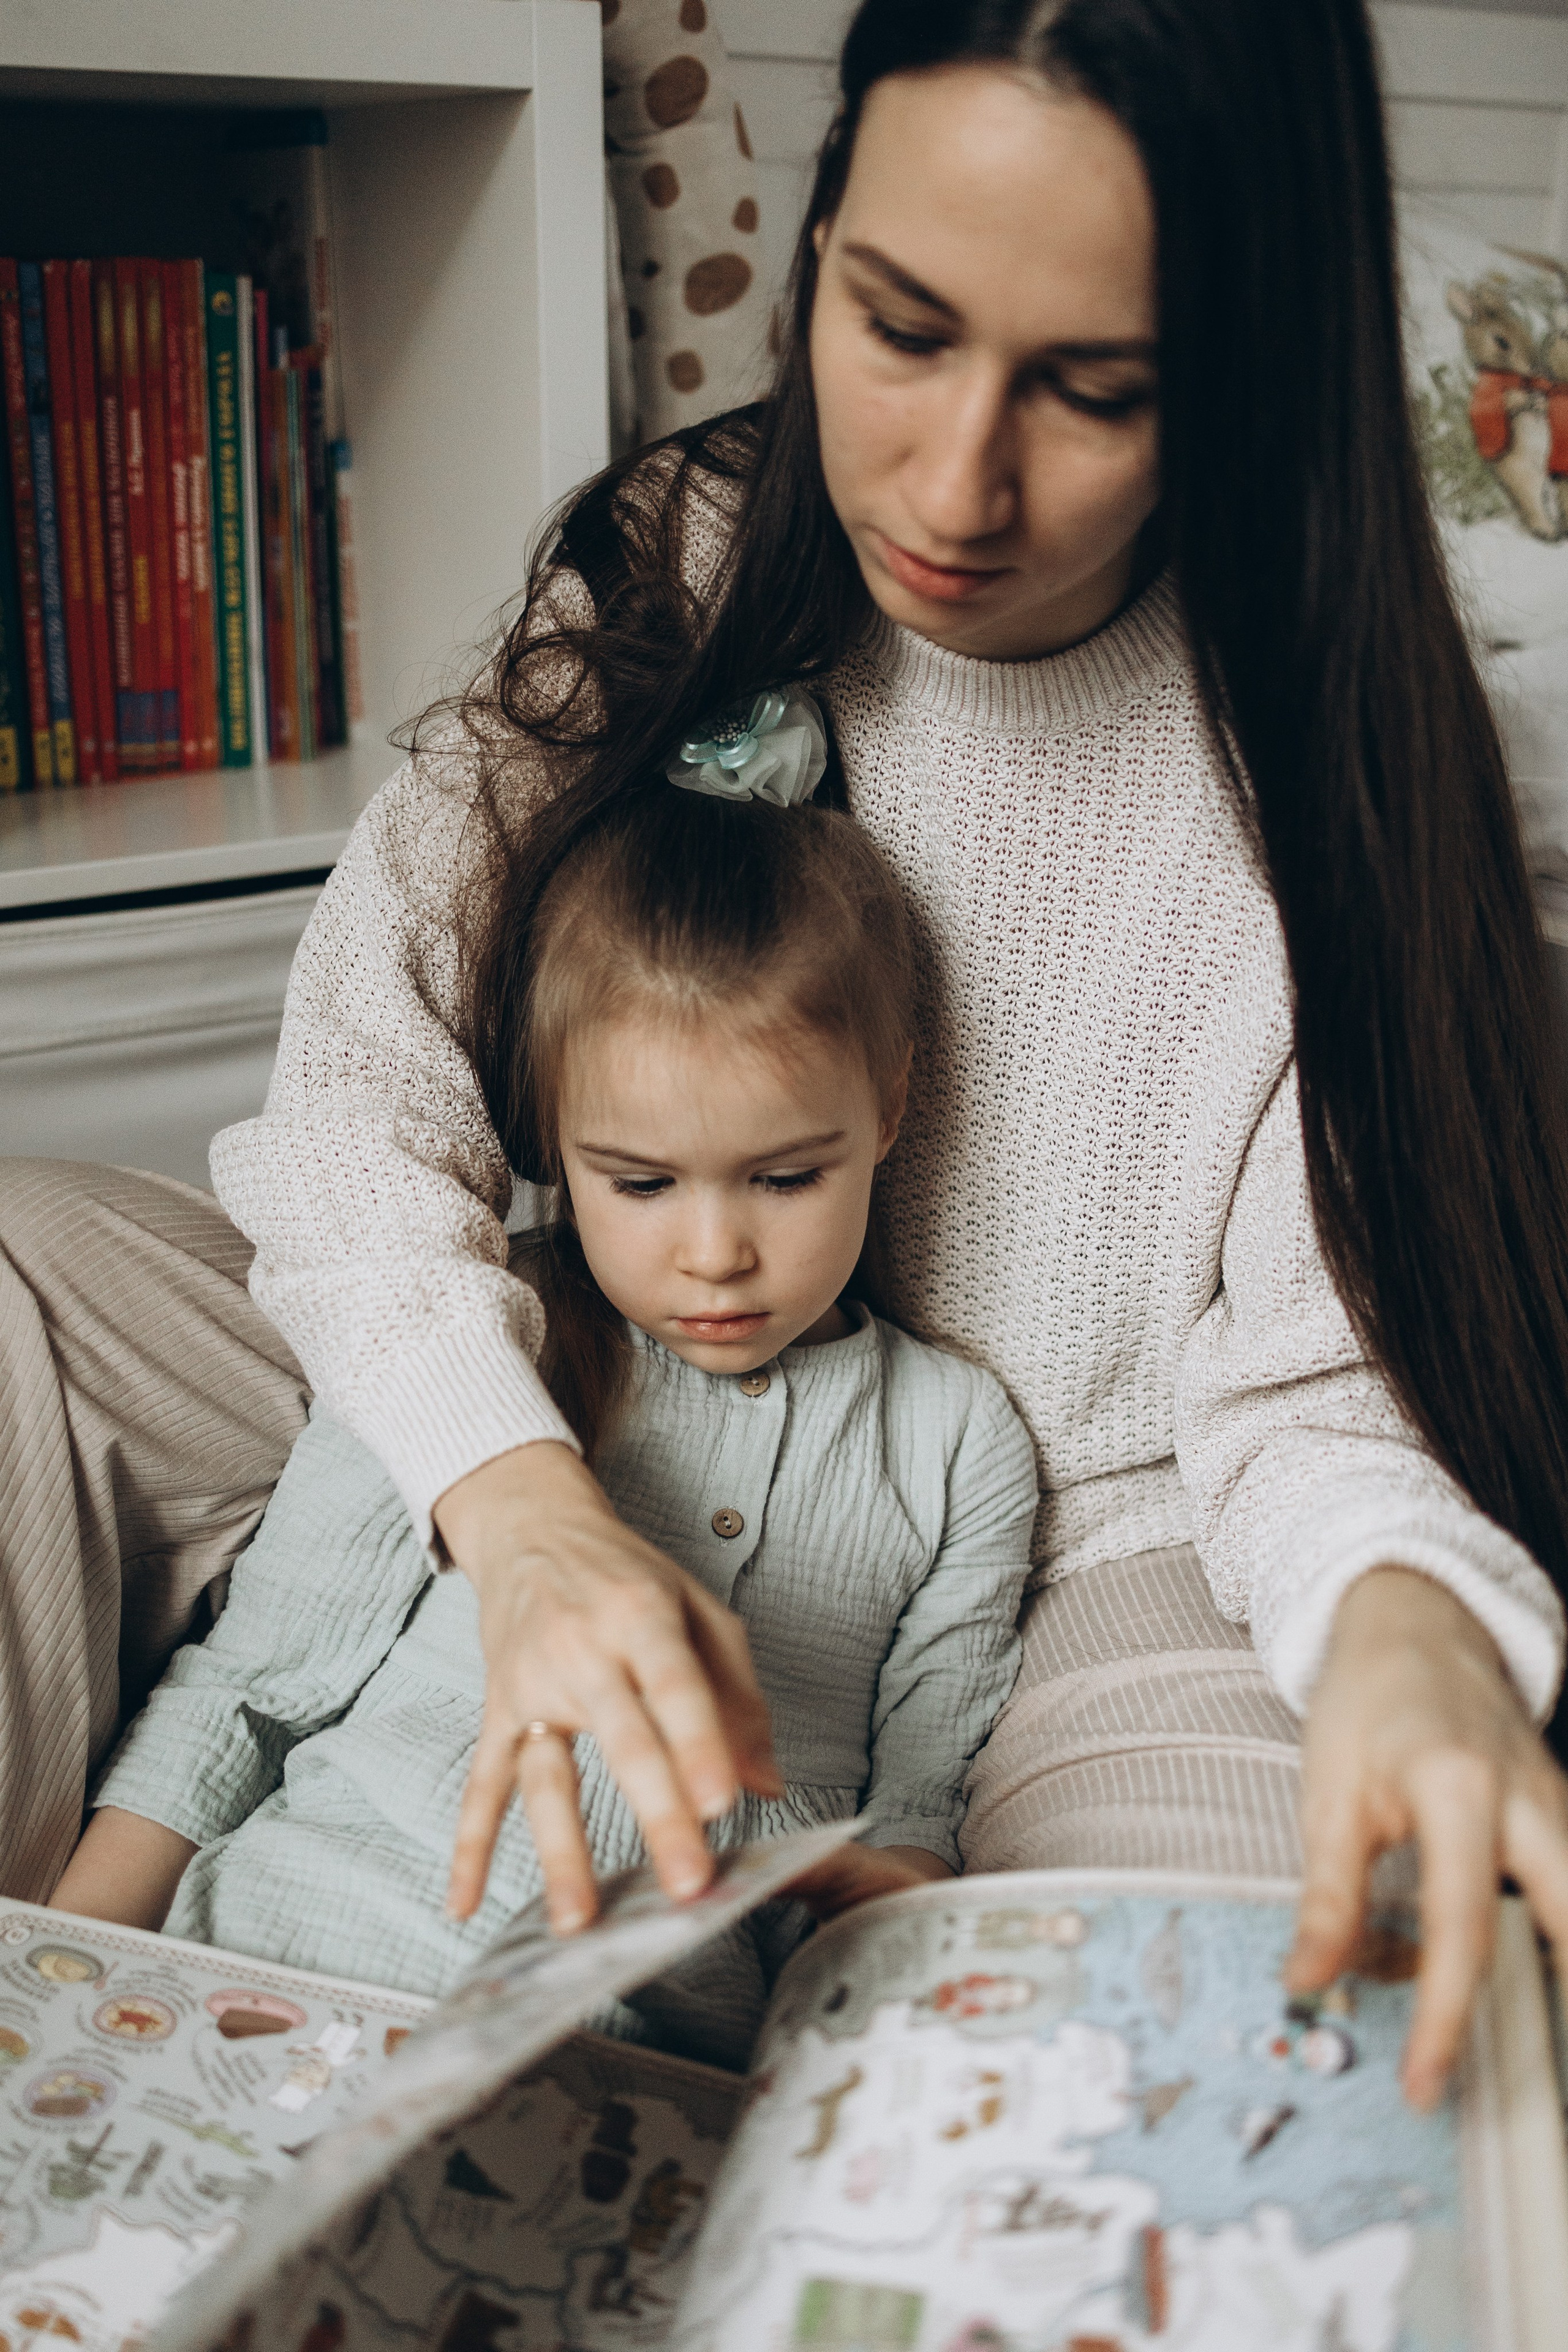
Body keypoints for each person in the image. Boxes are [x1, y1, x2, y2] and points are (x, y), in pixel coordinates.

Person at [6, 0, 1568, 2114]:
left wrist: (1409, 1622)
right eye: (899, 326)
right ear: (820, 236)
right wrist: (523, 1502)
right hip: (559, 1343)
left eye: (1097, 391)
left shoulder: (1350, 760)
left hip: (1105, 1533)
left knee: (1243, 2034)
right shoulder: (672, 572)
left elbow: (1323, 1376)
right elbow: (360, 1118)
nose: (954, 483)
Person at [47, 774, 1038, 2067]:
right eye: (638, 1182)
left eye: (785, 1177)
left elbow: (920, 1795)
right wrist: (54, 1987)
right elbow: (247, 1694)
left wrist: (875, 1907)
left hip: (630, 2074)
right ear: (553, 1140)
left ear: (890, 1110)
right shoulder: (460, 1348)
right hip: (288, 1963)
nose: (713, 1254)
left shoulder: (959, 1442)